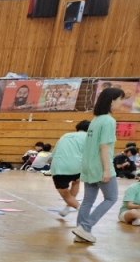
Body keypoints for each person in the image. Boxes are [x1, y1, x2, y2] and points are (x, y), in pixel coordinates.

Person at [72, 86, 126, 244]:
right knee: (111, 197)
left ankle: (80, 232)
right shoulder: (109, 121)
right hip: (100, 165)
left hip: (88, 165)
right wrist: (107, 170)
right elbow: (104, 147)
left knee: (88, 200)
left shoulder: (95, 120)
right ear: (111, 101)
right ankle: (86, 227)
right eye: (120, 99)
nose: (121, 103)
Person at [51, 121, 89, 218]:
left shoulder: (65, 135)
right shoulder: (89, 137)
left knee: (66, 195)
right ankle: (67, 208)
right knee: (76, 182)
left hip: (59, 167)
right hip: (76, 166)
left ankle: (81, 211)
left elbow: (53, 154)